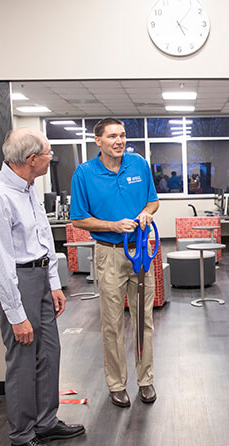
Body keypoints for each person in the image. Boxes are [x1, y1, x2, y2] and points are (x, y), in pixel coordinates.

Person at [0, 128, 85, 446]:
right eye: (49, 154)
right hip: (15, 283)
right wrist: (16, 313)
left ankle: (46, 422)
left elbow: (43, 238)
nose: (53, 159)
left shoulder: (30, 187)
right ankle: (22, 436)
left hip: (39, 278)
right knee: (22, 361)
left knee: (49, 353)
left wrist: (53, 282)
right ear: (32, 159)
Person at [70, 118, 160, 408]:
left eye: (122, 135)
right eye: (112, 136)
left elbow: (153, 201)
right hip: (109, 252)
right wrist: (112, 225)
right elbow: (79, 218)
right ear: (98, 141)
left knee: (144, 319)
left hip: (141, 252)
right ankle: (116, 384)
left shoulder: (138, 164)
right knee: (112, 323)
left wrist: (147, 213)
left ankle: (145, 380)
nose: (119, 141)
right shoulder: (84, 173)